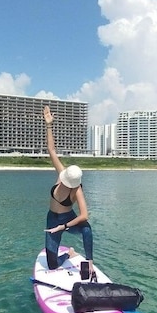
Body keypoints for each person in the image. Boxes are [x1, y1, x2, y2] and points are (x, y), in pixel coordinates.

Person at [42, 105, 94, 274]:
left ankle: (89, 262)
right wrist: (49, 124)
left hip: (67, 220)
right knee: (52, 265)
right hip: (52, 219)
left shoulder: (77, 189)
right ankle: (69, 254)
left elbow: (84, 215)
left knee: (87, 229)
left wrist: (63, 226)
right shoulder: (62, 173)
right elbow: (51, 150)